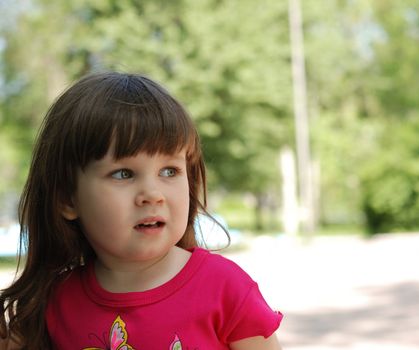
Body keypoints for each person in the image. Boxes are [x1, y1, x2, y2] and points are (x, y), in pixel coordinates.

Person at [0, 72, 282, 349]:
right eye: (123, 173)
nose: (153, 194)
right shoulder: (54, 303)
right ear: (67, 200)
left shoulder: (225, 290)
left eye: (169, 170)